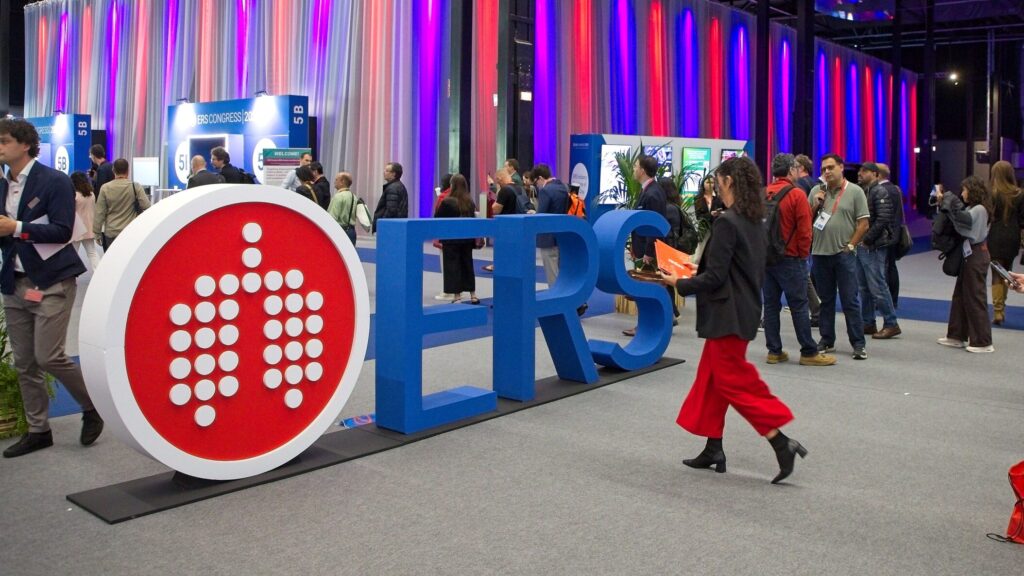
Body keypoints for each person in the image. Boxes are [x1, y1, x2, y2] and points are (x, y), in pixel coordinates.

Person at [661, 156, 807, 484]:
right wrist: (698, 270)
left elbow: (715, 277)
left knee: (732, 381)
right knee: (712, 380)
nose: (715, 187)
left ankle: (781, 441)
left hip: (727, 313)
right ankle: (714, 447)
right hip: (743, 309)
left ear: (728, 182)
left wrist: (679, 282)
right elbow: (737, 266)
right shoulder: (754, 219)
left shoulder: (728, 222)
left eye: (718, 182)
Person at [0, 118, 103, 457]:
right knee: (25, 362)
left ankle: (92, 405)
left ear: (25, 144)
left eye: (4, 141)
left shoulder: (54, 181)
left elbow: (62, 231)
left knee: (48, 356)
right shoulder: (3, 185)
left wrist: (17, 227)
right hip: (14, 283)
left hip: (52, 281)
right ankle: (38, 430)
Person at [762, 154, 835, 366]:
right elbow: (805, 231)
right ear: (791, 170)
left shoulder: (764, 193)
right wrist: (803, 256)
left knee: (771, 305)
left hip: (767, 259)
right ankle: (808, 352)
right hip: (792, 258)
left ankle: (774, 351)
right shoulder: (796, 194)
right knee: (799, 305)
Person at [809, 153, 870, 360]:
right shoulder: (816, 191)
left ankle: (858, 344)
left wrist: (851, 245)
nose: (826, 172)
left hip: (843, 254)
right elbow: (806, 221)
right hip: (819, 254)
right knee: (825, 301)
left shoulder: (855, 191)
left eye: (830, 167)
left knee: (849, 300)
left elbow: (863, 223)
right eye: (823, 169)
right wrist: (816, 205)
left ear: (841, 168)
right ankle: (827, 339)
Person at [936, 176, 994, 353]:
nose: (962, 194)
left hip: (976, 254)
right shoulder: (973, 208)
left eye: (964, 190)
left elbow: (964, 223)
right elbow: (960, 221)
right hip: (970, 254)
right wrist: (945, 204)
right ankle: (957, 335)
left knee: (975, 297)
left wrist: (948, 202)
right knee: (960, 296)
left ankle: (983, 342)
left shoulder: (979, 209)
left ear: (972, 191)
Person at [855, 162, 901, 339]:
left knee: (877, 285)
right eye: (860, 171)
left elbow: (883, 219)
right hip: (862, 245)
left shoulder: (879, 191)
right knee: (864, 287)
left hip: (873, 246)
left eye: (864, 171)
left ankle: (891, 323)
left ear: (875, 174)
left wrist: (867, 239)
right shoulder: (864, 191)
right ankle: (868, 322)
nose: (860, 173)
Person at [986, 160, 1024, 325]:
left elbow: (987, 217)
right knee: (1007, 272)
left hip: (995, 235)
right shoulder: (1019, 194)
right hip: (1012, 236)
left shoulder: (991, 194)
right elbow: (1023, 220)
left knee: (996, 272)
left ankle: (998, 311)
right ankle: (1002, 308)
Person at [433, 174, 480, 304]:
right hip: (467, 239)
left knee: (452, 266)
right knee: (467, 265)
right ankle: (473, 294)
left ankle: (457, 296)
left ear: (452, 185)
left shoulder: (448, 201)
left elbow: (438, 218)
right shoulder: (469, 201)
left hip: (451, 238)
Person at [93, 158, 152, 249]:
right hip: (130, 231)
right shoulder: (135, 186)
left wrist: (97, 232)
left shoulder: (105, 188)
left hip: (111, 232)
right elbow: (146, 206)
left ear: (113, 170)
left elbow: (99, 212)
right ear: (128, 171)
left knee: (112, 257)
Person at [532, 163, 569, 285]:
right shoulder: (563, 187)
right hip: (561, 234)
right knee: (560, 271)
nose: (537, 185)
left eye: (536, 182)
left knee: (552, 273)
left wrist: (534, 214)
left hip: (547, 236)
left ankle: (555, 295)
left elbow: (541, 215)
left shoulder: (545, 191)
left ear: (540, 178)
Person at [875, 164, 905, 308]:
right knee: (891, 267)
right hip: (894, 233)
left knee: (882, 268)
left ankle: (885, 300)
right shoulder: (896, 189)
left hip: (884, 234)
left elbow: (881, 216)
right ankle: (893, 299)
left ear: (878, 175)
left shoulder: (881, 190)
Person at [69, 171, 101, 270]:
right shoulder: (91, 194)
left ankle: (71, 273)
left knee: (73, 253)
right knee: (92, 252)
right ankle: (99, 272)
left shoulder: (74, 195)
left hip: (76, 228)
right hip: (89, 226)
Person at [373, 162, 409, 233]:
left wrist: (382, 224)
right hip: (396, 226)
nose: (384, 172)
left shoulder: (393, 188)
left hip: (389, 228)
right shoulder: (398, 186)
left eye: (387, 171)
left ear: (394, 174)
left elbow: (391, 210)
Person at [327, 171, 358, 244]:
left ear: (342, 182)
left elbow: (332, 217)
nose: (334, 182)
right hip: (351, 231)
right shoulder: (354, 197)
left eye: (336, 179)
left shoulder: (338, 197)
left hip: (339, 231)